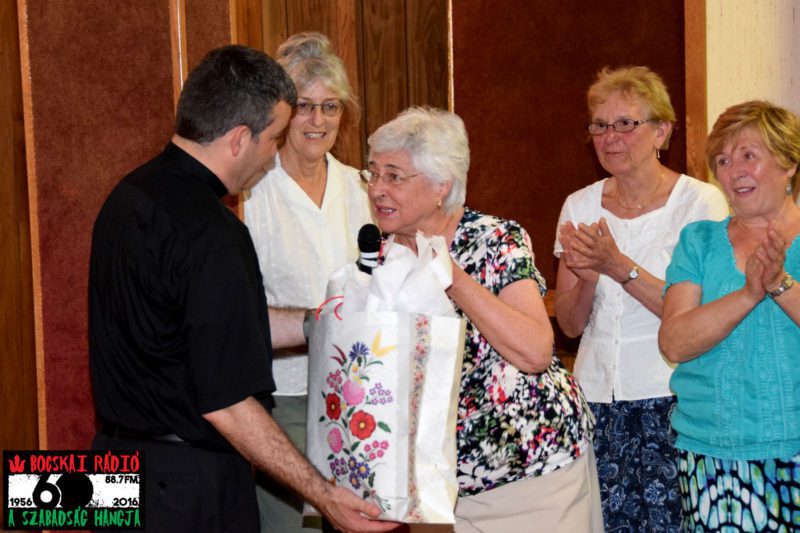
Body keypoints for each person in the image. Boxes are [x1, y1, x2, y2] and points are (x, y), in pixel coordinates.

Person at [89, 45, 395, 533]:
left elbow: (202, 324)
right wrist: (323, 495)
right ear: (238, 139)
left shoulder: (127, 196)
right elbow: (226, 404)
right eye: (273, 138)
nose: (273, 155)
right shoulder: (215, 233)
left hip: (110, 468)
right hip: (184, 487)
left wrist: (317, 322)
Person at [365, 106, 601, 532]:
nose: (378, 189)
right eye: (373, 173)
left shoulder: (495, 240)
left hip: (528, 473)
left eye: (394, 176)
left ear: (441, 185)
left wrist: (452, 277)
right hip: (437, 484)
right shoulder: (378, 257)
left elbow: (535, 351)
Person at [553, 66, 729, 532]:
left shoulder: (701, 204)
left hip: (674, 398)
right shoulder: (579, 205)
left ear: (662, 132)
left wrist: (619, 266)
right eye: (600, 125)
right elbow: (569, 325)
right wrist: (589, 277)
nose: (610, 137)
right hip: (595, 400)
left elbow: (698, 318)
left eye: (626, 123)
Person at [243, 32, 373, 533]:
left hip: (359, 391)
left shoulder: (361, 188)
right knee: (289, 527)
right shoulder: (253, 193)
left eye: (330, 106)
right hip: (285, 395)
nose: (318, 121)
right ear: (281, 112)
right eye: (304, 106)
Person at [659, 100, 800, 531]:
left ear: (789, 163)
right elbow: (674, 342)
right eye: (722, 160)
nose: (733, 170)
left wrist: (779, 283)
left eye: (748, 155)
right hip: (714, 458)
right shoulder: (699, 241)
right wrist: (749, 293)